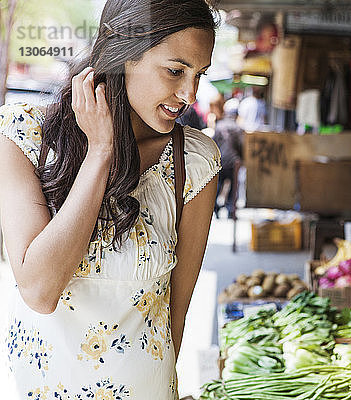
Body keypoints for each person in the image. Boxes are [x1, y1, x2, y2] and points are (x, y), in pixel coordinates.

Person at [0, 1, 221, 398]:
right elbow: (39, 289)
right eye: (175, 70)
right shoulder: (26, 136)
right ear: (123, 54)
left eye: (199, 74)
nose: (189, 94)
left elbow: (176, 316)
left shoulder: (194, 161)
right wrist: (101, 152)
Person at [213, 98, 244, 218]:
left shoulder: (219, 126)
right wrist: (242, 159)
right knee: (233, 187)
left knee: (218, 185)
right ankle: (231, 210)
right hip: (233, 162)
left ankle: (215, 209)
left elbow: (214, 143)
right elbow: (241, 146)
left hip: (220, 160)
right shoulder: (238, 129)